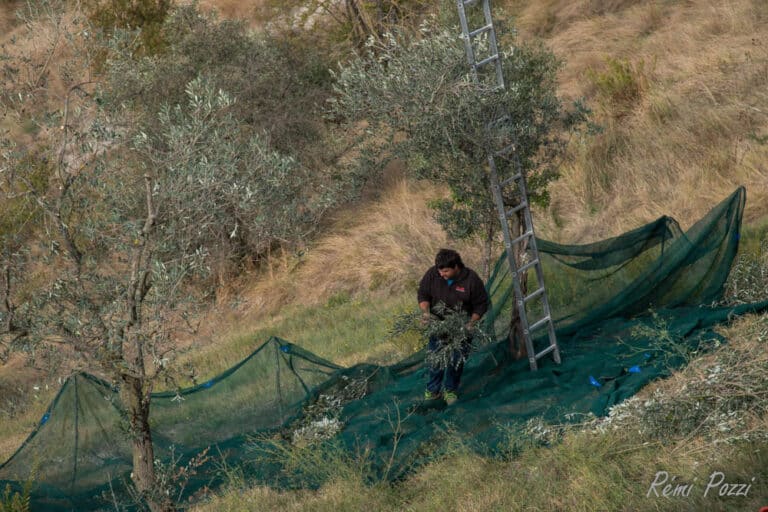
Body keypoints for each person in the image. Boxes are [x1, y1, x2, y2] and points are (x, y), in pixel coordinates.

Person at [418, 248, 489, 405]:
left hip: (461, 328)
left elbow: (481, 304)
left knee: (456, 361)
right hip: (438, 325)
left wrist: (471, 323)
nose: (441, 274)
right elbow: (423, 294)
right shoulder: (433, 274)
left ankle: (450, 390)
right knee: (436, 359)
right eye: (440, 271)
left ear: (456, 267)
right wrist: (426, 313)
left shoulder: (471, 280)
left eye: (445, 271)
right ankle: (433, 390)